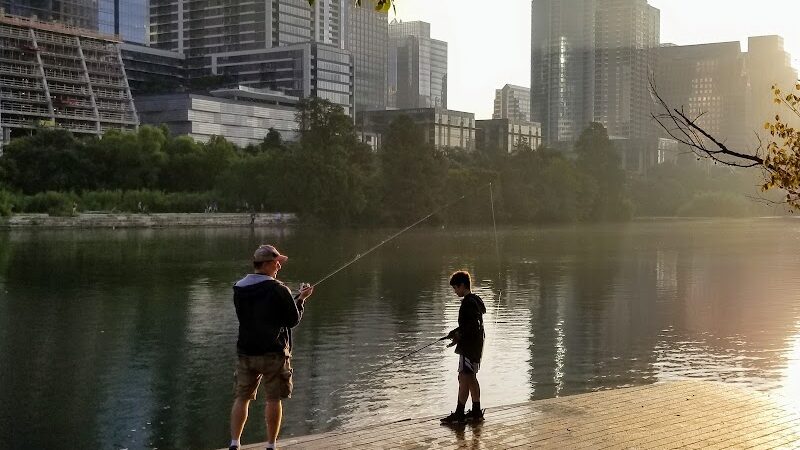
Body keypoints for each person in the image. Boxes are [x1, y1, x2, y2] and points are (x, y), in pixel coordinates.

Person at [228, 244, 314, 450]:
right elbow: (292, 320)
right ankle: (271, 445)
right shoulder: (279, 289)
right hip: (273, 353)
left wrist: (292, 300)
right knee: (273, 399)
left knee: (242, 398)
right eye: (276, 263)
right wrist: (301, 300)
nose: (279, 267)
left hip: (246, 352)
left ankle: (234, 443)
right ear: (266, 264)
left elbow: (258, 313)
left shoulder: (239, 288)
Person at [441, 270, 486, 425]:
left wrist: (458, 335)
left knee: (464, 378)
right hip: (475, 347)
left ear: (462, 285)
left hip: (469, 348)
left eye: (455, 288)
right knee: (471, 377)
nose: (455, 291)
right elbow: (470, 326)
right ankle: (476, 412)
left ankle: (460, 413)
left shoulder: (468, 303)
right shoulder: (475, 301)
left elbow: (470, 327)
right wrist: (455, 333)